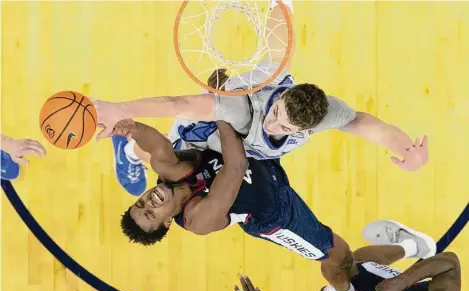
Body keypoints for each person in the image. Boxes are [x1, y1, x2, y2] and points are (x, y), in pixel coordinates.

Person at [92, 0, 428, 196]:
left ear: (304, 129)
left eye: (283, 123)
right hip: (208, 129)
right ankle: (128, 151)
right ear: (285, 94)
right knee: (165, 156)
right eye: (277, 111)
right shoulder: (242, 109)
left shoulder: (323, 112)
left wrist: (401, 146)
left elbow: (364, 123)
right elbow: (178, 104)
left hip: (245, 150)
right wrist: (118, 108)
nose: (272, 120)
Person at [112, 118, 382, 291]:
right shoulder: (197, 219)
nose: (148, 201)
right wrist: (222, 111)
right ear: (167, 223)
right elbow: (236, 166)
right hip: (276, 212)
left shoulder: (167, 170)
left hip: (260, 158)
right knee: (337, 254)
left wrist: (133, 129)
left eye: (140, 203)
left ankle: (127, 150)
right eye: (150, 213)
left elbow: (156, 144)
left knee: (279, 107)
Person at [231, 221, 466, 291]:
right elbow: (450, 263)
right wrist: (402, 281)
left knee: (354, 264)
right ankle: (415, 246)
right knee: (356, 264)